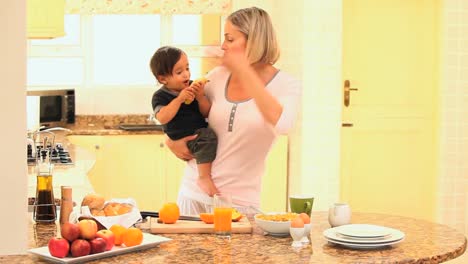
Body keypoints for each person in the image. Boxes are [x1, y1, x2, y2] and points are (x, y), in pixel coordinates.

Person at [166, 7, 302, 215]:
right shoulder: (218, 76)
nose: (223, 46)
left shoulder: (287, 85)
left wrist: (244, 71)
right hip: (193, 193)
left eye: (230, 39)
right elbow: (184, 113)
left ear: (254, 41)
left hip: (239, 203)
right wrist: (171, 141)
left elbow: (283, 124)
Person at [150, 46, 219, 196]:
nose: (186, 74)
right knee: (207, 137)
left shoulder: (192, 87)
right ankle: (204, 177)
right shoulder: (160, 96)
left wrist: (200, 96)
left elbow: (206, 112)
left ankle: (204, 174)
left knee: (207, 135)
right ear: (163, 79)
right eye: (179, 72)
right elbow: (162, 117)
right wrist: (180, 99)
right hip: (183, 135)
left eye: (187, 68)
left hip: (198, 132)